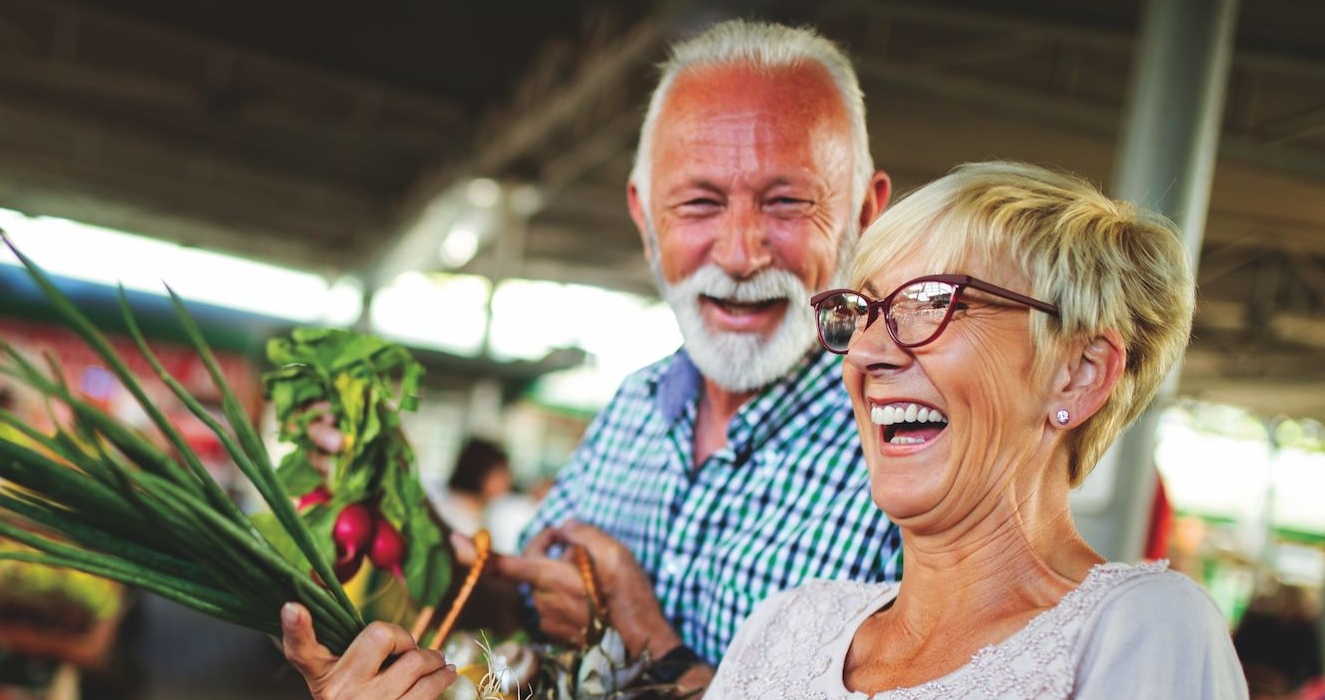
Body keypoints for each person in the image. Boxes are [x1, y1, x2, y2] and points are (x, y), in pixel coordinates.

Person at [282, 19, 900, 698]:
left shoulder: (907, 455)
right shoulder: (638, 404)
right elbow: (517, 614)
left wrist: (643, 641)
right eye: (699, 203)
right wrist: (399, 505)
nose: (739, 254)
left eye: (787, 202)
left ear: (866, 214)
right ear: (644, 220)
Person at [703, 161, 1245, 698]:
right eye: (864, 309)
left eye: (933, 302)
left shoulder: (1138, 628)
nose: (866, 351)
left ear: (1078, 374)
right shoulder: (786, 626)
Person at [435, 437, 514, 536]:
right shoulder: (452, 513)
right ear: (482, 473)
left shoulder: (478, 513)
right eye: (501, 473)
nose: (508, 480)